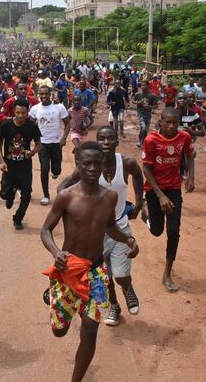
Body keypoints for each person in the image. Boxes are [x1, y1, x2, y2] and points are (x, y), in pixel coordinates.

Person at [40, 142, 139, 382]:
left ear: (104, 164)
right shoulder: (66, 196)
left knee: (90, 329)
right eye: (87, 164)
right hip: (67, 271)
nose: (93, 168)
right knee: (59, 331)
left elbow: (110, 227)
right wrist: (56, 252)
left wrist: (128, 239)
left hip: (95, 272)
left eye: (98, 163)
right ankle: (54, 299)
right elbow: (45, 230)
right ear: (78, 166)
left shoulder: (110, 196)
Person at [58, 126, 145, 326]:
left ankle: (128, 288)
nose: (106, 142)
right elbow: (62, 188)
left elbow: (139, 176)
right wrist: (74, 207)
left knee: (121, 275)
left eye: (110, 138)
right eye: (102, 139)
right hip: (95, 233)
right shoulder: (89, 167)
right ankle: (114, 306)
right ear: (97, 141)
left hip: (119, 226)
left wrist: (139, 203)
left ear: (116, 141)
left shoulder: (127, 163)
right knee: (105, 276)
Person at [142, 108, 195, 293]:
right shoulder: (150, 140)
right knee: (157, 231)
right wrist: (160, 196)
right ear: (161, 122)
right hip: (154, 189)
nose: (172, 126)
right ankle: (147, 213)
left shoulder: (184, 137)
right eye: (168, 122)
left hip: (173, 189)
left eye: (175, 122)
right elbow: (146, 169)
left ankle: (167, 274)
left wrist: (190, 177)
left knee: (173, 231)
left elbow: (189, 156)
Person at [0, 98, 42, 230]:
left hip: (25, 167)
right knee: (4, 194)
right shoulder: (6, 125)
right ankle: (11, 193)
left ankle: (18, 218)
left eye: (23, 113)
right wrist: (1, 160)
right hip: (9, 166)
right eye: (18, 113)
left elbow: (39, 144)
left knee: (26, 195)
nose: (20, 116)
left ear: (27, 112)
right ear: (14, 112)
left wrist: (32, 153)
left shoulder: (32, 126)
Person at [29, 86, 70, 206]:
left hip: (57, 143)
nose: (44, 96)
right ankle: (46, 195)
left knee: (56, 169)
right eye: (41, 94)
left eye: (46, 94)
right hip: (43, 145)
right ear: (38, 95)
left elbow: (68, 123)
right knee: (44, 168)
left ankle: (56, 172)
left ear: (50, 94)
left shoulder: (59, 107)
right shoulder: (35, 109)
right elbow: (30, 124)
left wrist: (64, 138)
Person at [131, 81, 158, 149]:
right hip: (140, 113)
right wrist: (138, 102)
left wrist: (150, 107)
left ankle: (144, 141)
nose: (142, 87)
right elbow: (133, 100)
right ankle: (140, 141)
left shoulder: (152, 95)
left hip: (148, 114)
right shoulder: (138, 94)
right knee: (143, 127)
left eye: (144, 85)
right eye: (142, 85)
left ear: (148, 86)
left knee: (145, 129)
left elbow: (156, 106)